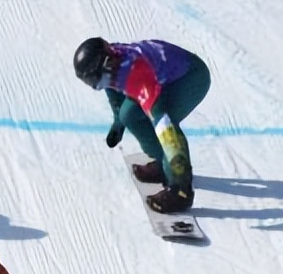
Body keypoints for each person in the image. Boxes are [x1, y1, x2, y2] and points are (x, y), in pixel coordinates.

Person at [73, 38, 211, 213]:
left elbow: (165, 125)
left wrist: (179, 179)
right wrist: (118, 122)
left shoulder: (136, 74)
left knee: (165, 126)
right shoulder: (112, 65)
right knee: (128, 115)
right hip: (165, 76)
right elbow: (113, 90)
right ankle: (163, 164)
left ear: (106, 66)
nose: (96, 86)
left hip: (190, 78)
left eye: (94, 80)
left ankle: (180, 189)